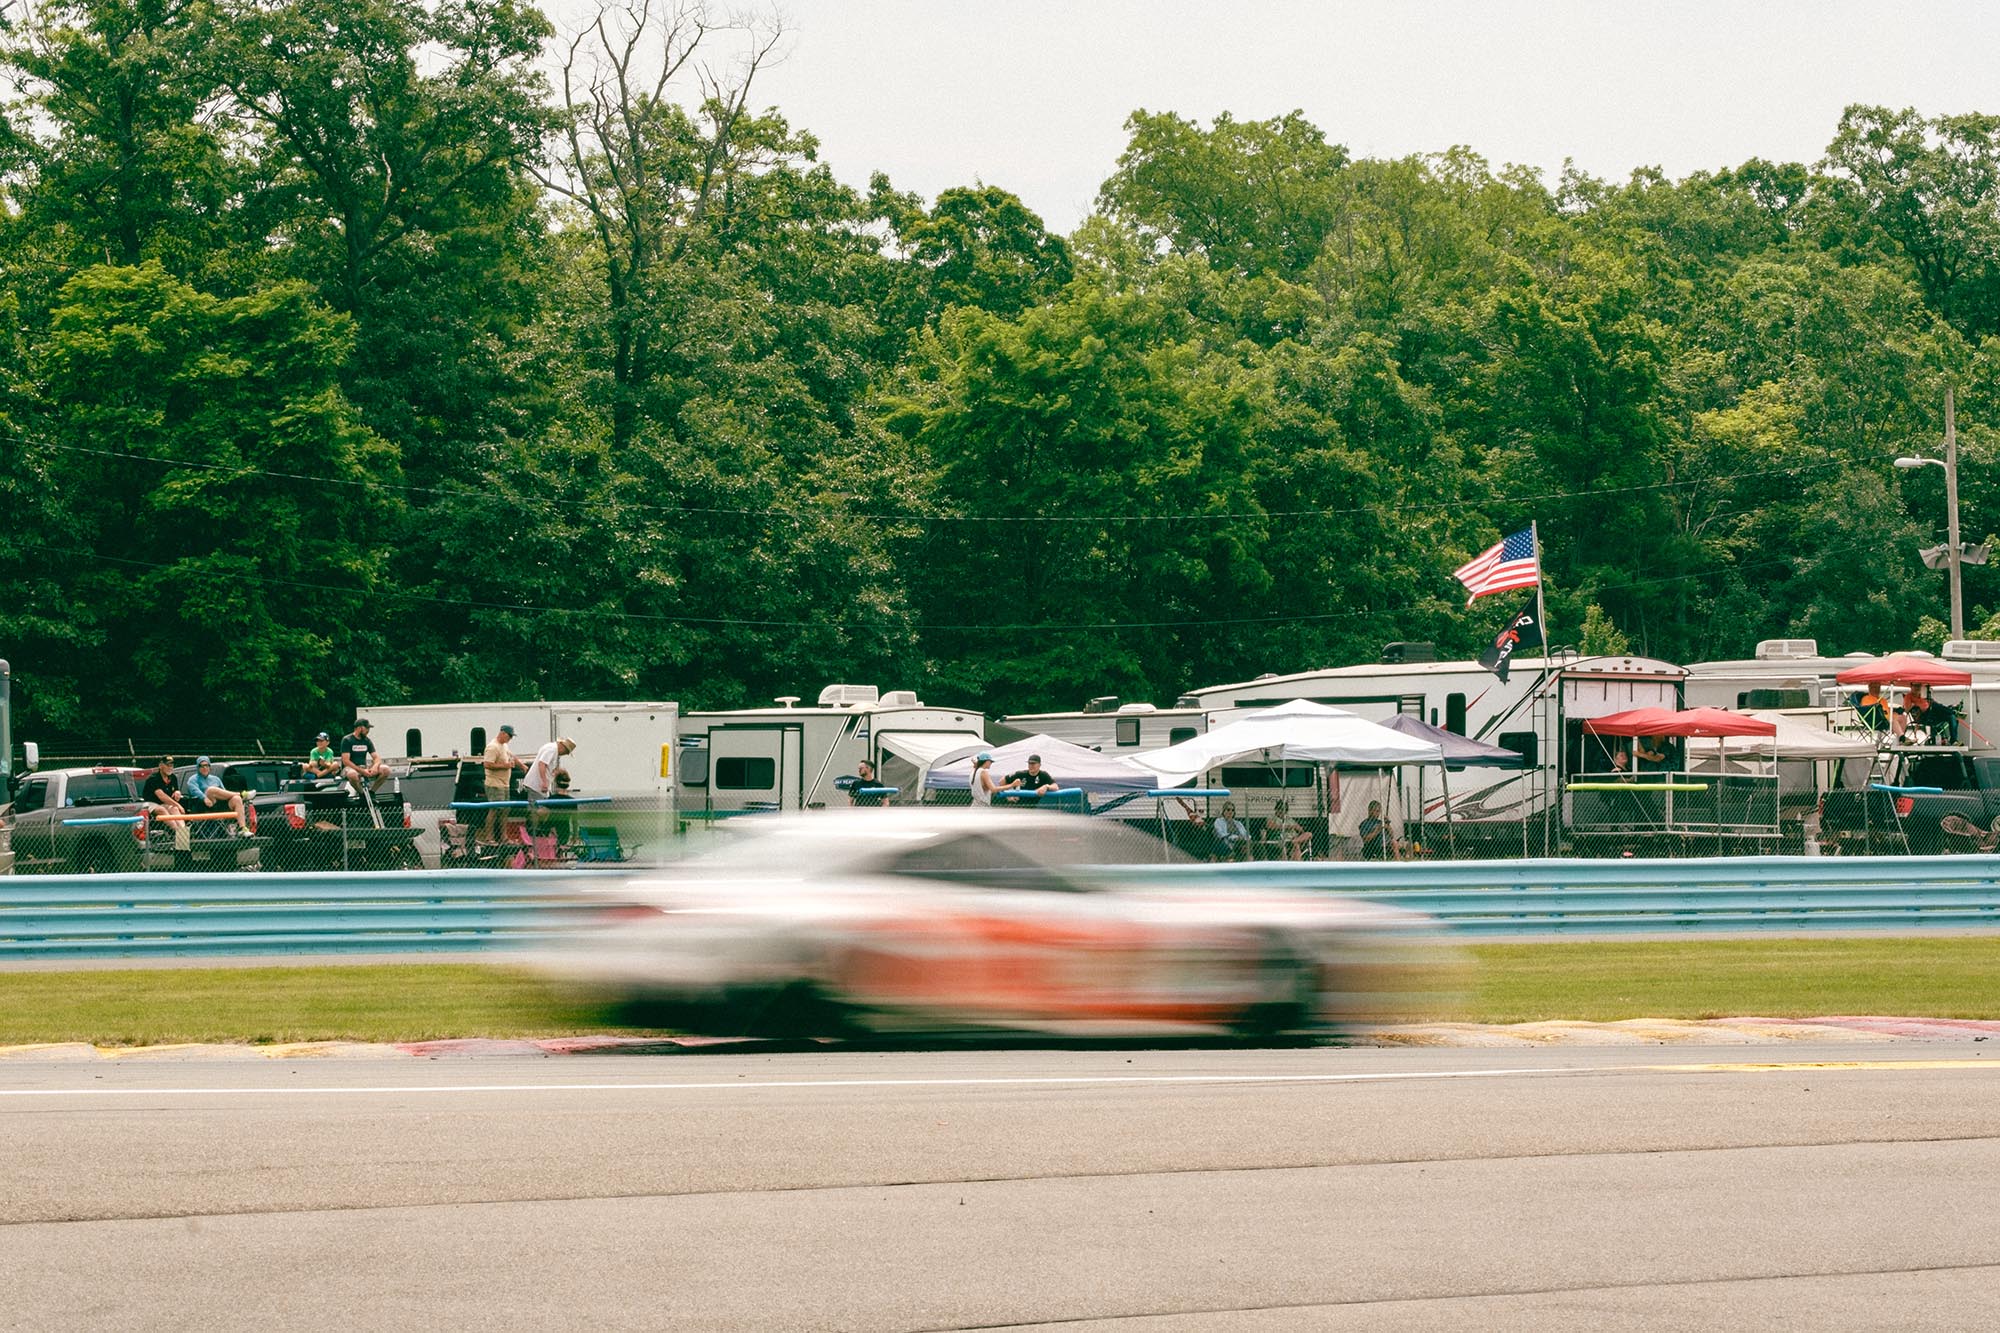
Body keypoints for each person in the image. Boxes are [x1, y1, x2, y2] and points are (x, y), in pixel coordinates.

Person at [481, 724, 525, 841]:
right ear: (503, 733)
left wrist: (522, 766)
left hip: (504, 784)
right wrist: (505, 765)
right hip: (494, 784)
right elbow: (487, 764)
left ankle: (503, 837)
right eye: (509, 736)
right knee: (494, 809)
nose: (510, 739)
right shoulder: (492, 747)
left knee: (505, 810)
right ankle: (489, 838)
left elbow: (511, 756)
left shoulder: (504, 746)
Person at [185, 756, 250, 834]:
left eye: (207, 765)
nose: (204, 768)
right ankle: (241, 794)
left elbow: (224, 793)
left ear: (210, 767)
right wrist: (204, 798)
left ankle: (242, 829)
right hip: (203, 806)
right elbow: (194, 791)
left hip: (218, 806)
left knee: (236, 799)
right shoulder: (192, 779)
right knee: (211, 790)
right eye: (201, 766)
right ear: (197, 767)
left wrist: (233, 797)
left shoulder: (216, 779)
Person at [340, 720, 389, 796]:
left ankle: (372, 792)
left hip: (364, 767)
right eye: (367, 728)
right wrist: (362, 771)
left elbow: (376, 757)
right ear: (359, 728)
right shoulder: (347, 740)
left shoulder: (367, 740)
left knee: (386, 769)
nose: (368, 731)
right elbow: (346, 761)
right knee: (352, 774)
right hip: (349, 768)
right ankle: (362, 794)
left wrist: (375, 767)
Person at [522, 736, 576, 801]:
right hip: (536, 786)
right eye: (566, 752)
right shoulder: (552, 749)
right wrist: (544, 782)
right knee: (537, 808)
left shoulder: (551, 748)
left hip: (538, 787)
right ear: (563, 748)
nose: (565, 754)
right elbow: (542, 764)